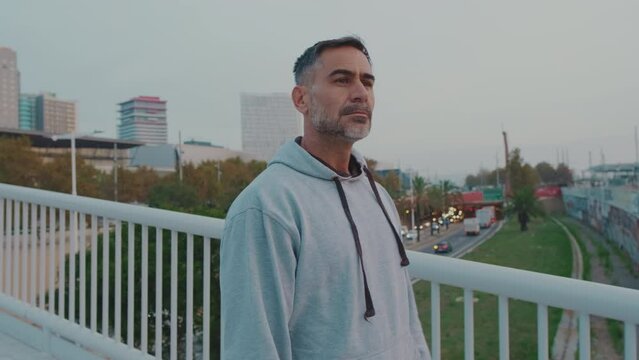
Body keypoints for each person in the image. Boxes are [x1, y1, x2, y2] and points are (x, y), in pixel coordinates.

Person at [220, 36, 430, 360]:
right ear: (301, 99)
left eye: (368, 82)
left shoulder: (380, 197)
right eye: (342, 80)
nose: (361, 93)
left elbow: (405, 317)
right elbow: (254, 347)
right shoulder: (266, 208)